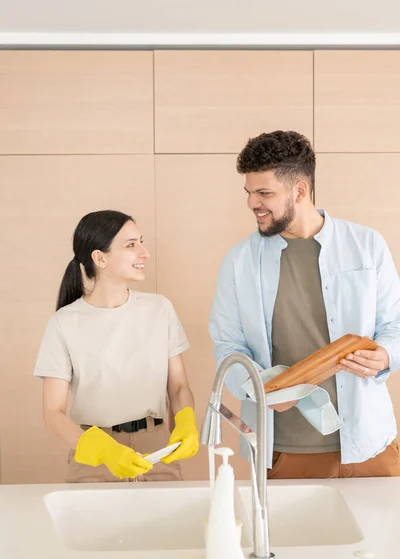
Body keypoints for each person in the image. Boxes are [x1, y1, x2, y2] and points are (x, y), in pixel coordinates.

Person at [209, 130, 400, 479]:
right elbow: (227, 348)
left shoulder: (367, 245)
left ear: (300, 190)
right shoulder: (239, 262)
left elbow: (395, 325)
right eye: (250, 192)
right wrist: (259, 388)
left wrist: (387, 354)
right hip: (286, 448)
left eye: (265, 193)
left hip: (370, 443)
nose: (253, 203)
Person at [34, 210, 199, 483]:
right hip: (95, 455)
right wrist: (102, 450)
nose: (144, 252)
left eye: (141, 241)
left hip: (157, 451)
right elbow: (53, 414)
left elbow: (179, 386)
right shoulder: (64, 323)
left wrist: (186, 420)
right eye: (131, 245)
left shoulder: (160, 309)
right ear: (99, 258)